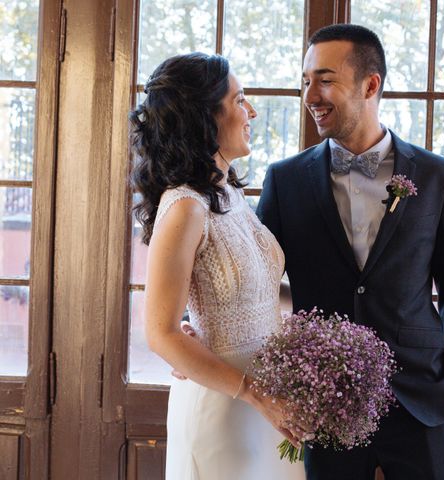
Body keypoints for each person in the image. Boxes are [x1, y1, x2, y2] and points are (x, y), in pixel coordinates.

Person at [256, 24, 444, 480]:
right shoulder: (285, 180)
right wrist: (197, 321)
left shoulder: (438, 176)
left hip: (420, 398)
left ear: (370, 85)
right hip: (325, 406)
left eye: (325, 79)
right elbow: (253, 273)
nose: (311, 95)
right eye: (305, 81)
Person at [129, 52, 305, 480]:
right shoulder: (186, 208)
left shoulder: (229, 196)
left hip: (269, 406)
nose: (252, 111)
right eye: (240, 99)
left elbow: (258, 293)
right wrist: (256, 395)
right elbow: (161, 332)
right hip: (226, 408)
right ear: (204, 118)